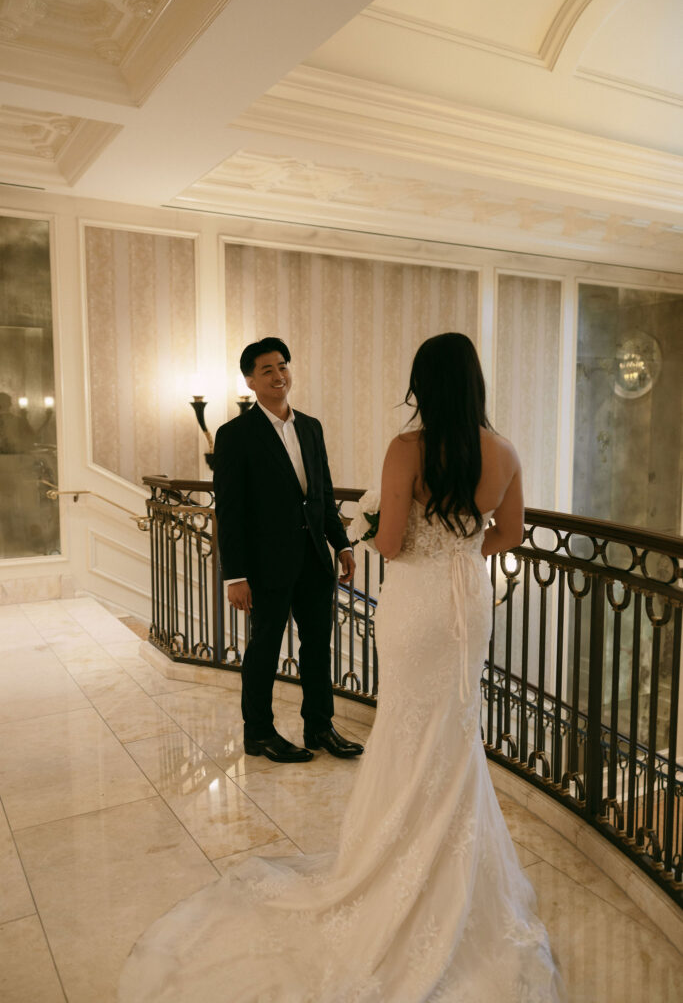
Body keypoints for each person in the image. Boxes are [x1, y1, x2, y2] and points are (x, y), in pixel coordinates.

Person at [119, 333, 565, 1002]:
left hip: (416, 600)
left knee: (411, 726)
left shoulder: (407, 448)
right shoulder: (501, 451)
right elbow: (508, 533)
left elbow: (387, 542)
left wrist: (377, 522)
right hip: (467, 600)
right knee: (454, 724)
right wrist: (460, 543)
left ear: (422, 383)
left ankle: (399, 860)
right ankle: (458, 868)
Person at [212, 337, 363, 763]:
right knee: (265, 649)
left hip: (315, 559)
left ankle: (320, 726)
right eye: (267, 371)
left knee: (317, 646)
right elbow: (231, 509)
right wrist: (235, 575)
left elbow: (322, 493)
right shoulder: (235, 435)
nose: (279, 376)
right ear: (249, 380)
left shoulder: (311, 427)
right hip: (265, 566)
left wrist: (341, 542)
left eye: (283, 367)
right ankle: (258, 733)